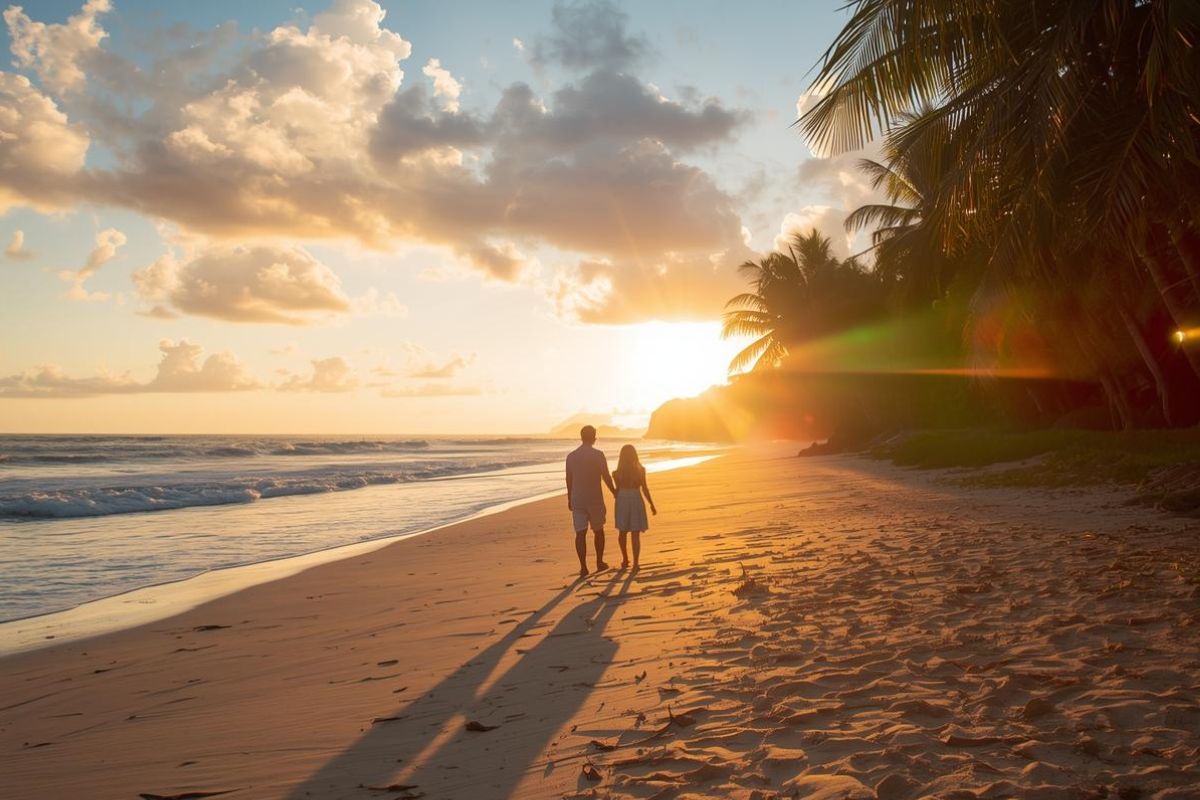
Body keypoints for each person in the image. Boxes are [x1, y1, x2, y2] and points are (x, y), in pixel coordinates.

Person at [565, 425, 616, 577]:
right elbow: (606, 476)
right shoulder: (598, 455)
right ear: (593, 436)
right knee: (598, 531)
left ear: (581, 437)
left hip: (577, 498)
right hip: (595, 498)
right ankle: (599, 562)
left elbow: (569, 479)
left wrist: (569, 497)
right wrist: (614, 492)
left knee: (580, 533)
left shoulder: (571, 456)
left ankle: (583, 567)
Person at [612, 444, 656, 570]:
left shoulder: (616, 473)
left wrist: (616, 492)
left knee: (622, 531)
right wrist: (651, 504)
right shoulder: (640, 470)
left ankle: (625, 559)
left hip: (622, 499)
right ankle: (636, 563)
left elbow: (617, 490)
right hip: (636, 497)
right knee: (635, 532)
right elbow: (645, 488)